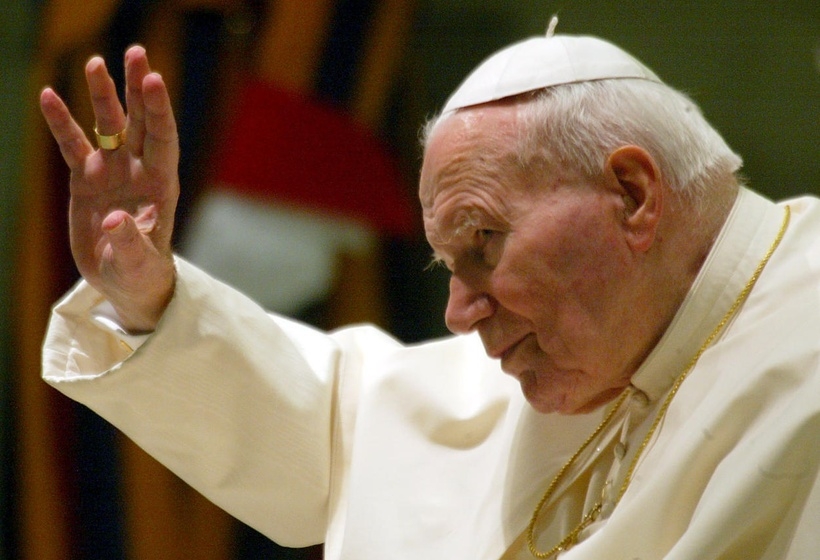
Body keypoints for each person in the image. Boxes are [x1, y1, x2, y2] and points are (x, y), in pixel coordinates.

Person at [39, 18, 820, 560]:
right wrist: (146, 294)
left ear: (633, 195)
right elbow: (337, 424)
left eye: (483, 241)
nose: (458, 316)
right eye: (446, 265)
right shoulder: (583, 337)